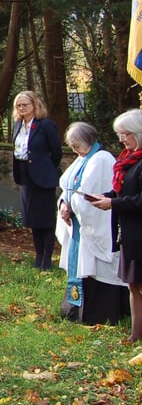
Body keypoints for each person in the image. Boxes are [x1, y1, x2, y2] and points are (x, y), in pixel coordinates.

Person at [56, 122, 127, 325]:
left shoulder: (102, 159)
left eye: (76, 145)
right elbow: (66, 186)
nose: (74, 149)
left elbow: (91, 194)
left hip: (96, 225)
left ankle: (98, 314)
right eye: (72, 146)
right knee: (80, 266)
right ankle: (74, 310)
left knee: (96, 268)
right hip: (79, 225)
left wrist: (72, 205)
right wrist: (63, 204)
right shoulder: (82, 159)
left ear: (88, 140)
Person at [88, 109, 142, 342]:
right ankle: (136, 333)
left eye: (125, 134)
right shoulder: (127, 160)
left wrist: (114, 203)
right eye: (119, 134)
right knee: (133, 284)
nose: (121, 139)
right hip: (129, 232)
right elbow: (123, 191)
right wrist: (105, 196)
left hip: (140, 231)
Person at [11, 90, 63, 270]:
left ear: (35, 105)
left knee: (45, 219)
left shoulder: (45, 125)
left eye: (25, 105)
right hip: (25, 176)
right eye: (19, 105)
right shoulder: (17, 125)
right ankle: (38, 254)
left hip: (43, 176)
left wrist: (46, 167)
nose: (22, 108)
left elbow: (56, 152)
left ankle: (47, 258)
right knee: (32, 218)